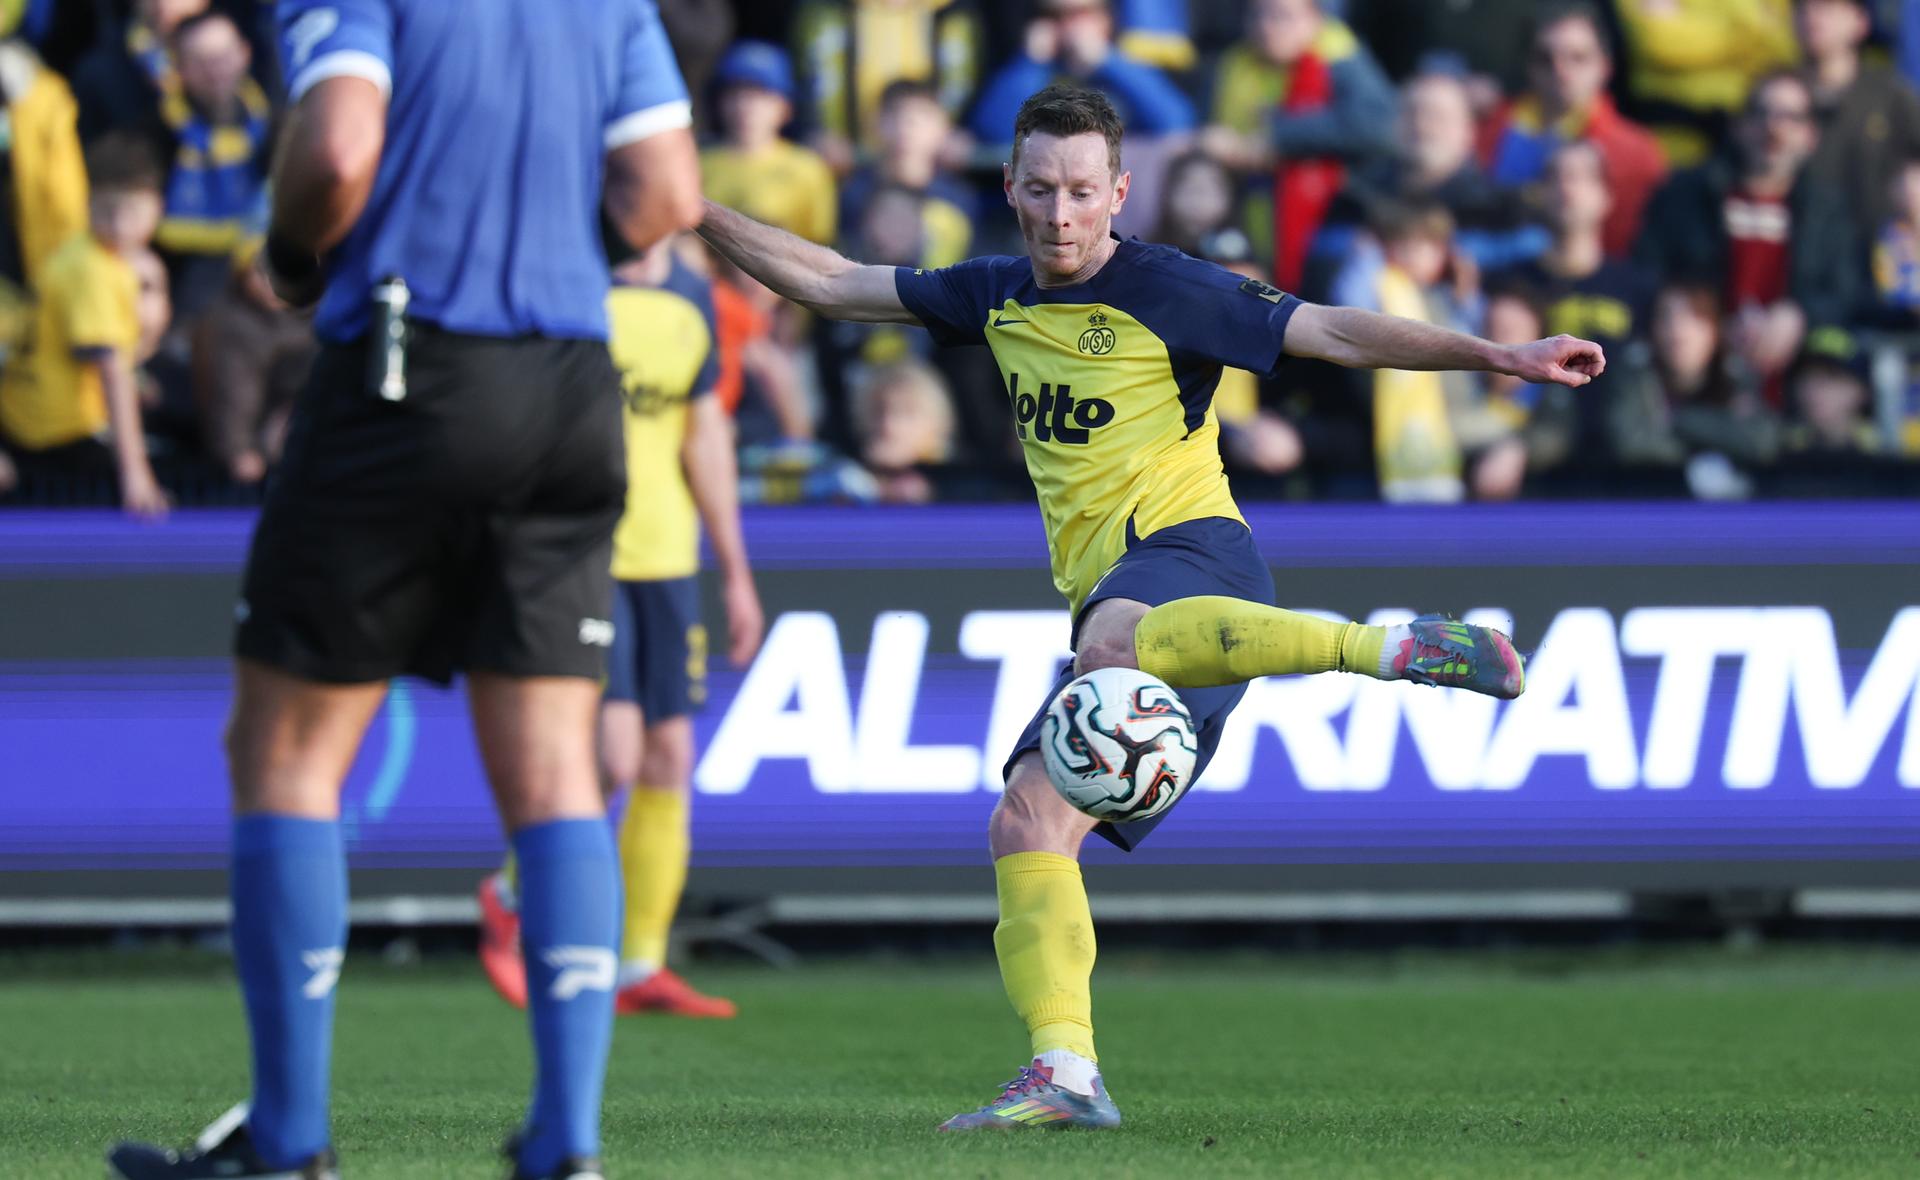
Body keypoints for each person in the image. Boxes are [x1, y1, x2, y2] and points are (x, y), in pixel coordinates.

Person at [697, 83, 1603, 1131]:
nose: (1062, 214)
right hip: (1140, 606)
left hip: (1198, 558)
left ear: (1119, 192)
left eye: (1083, 191)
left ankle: (1392, 647)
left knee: (1108, 642)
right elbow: (828, 279)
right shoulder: (993, 295)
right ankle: (1065, 1071)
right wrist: (692, 208)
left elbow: (1337, 332)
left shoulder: (1170, 287)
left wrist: (1496, 354)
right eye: (1042, 188)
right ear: (1010, 187)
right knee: (1026, 816)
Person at [103, 1, 702, 1178]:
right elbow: (664, 192)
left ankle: (287, 1142)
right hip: (570, 383)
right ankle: (565, 1145)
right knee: (556, 776)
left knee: (286, 757)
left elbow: (336, 149)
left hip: (403, 363)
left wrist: (289, 257)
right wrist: (546, 247)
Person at [475, 234, 765, 1021]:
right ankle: (510, 893)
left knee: (669, 756)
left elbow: (704, 432)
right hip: (582, 552)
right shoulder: (567, 277)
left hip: (666, 559)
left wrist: (734, 570)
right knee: (611, 757)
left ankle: (640, 962)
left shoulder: (692, 295)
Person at [1636, 71, 1858, 405]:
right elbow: (1648, 276)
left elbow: (1848, 293)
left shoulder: (1828, 213)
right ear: (1739, 126)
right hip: (1695, 390)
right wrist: (1706, 318)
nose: (1773, 128)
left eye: (1791, 117)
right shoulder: (1685, 196)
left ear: (1811, 135)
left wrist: (1801, 316)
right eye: (1761, 113)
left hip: (1795, 390)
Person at [0, 132, 169, 517]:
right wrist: (136, 473)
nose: (119, 226)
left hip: (39, 417)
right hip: (54, 433)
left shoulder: (98, 258)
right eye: (106, 211)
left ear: (157, 207)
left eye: (131, 211)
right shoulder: (92, 270)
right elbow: (111, 371)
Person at [1480, 2, 1667, 258]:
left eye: (1578, 58)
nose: (1561, 70)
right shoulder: (1485, 129)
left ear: (1605, 67)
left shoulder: (1636, 152)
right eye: (1546, 59)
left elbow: (1628, 246)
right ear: (1529, 66)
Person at [153, 9, 272, 318]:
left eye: (224, 56)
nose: (216, 70)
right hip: (184, 291)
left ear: (245, 53)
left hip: (265, 283)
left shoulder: (275, 121)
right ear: (179, 68)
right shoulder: (154, 134)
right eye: (201, 61)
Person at [969, 0, 1194, 142]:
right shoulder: (1032, 71)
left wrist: (1108, 61)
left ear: (1106, 17)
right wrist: (1030, 64)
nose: (1067, 26)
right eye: (1053, 16)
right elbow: (994, 133)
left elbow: (1176, 123)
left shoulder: (1126, 66)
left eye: (1079, 14)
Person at [1612, 0, 1798, 168]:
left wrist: (1703, 33)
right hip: (1676, 141)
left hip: (1755, 137)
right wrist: (1749, 35)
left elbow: (1783, 49)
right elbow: (1660, 40)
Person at [700, 40, 838, 247]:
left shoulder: (809, 169)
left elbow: (821, 244)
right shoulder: (698, 165)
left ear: (785, 107)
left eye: (759, 94)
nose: (744, 106)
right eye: (735, 93)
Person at [1799, 0, 1920, 231]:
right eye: (1803, 7)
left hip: (1876, 244)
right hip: (1800, 245)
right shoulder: (1777, 99)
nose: (1812, 15)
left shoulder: (1892, 97)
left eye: (1827, 6)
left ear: (1861, 21)